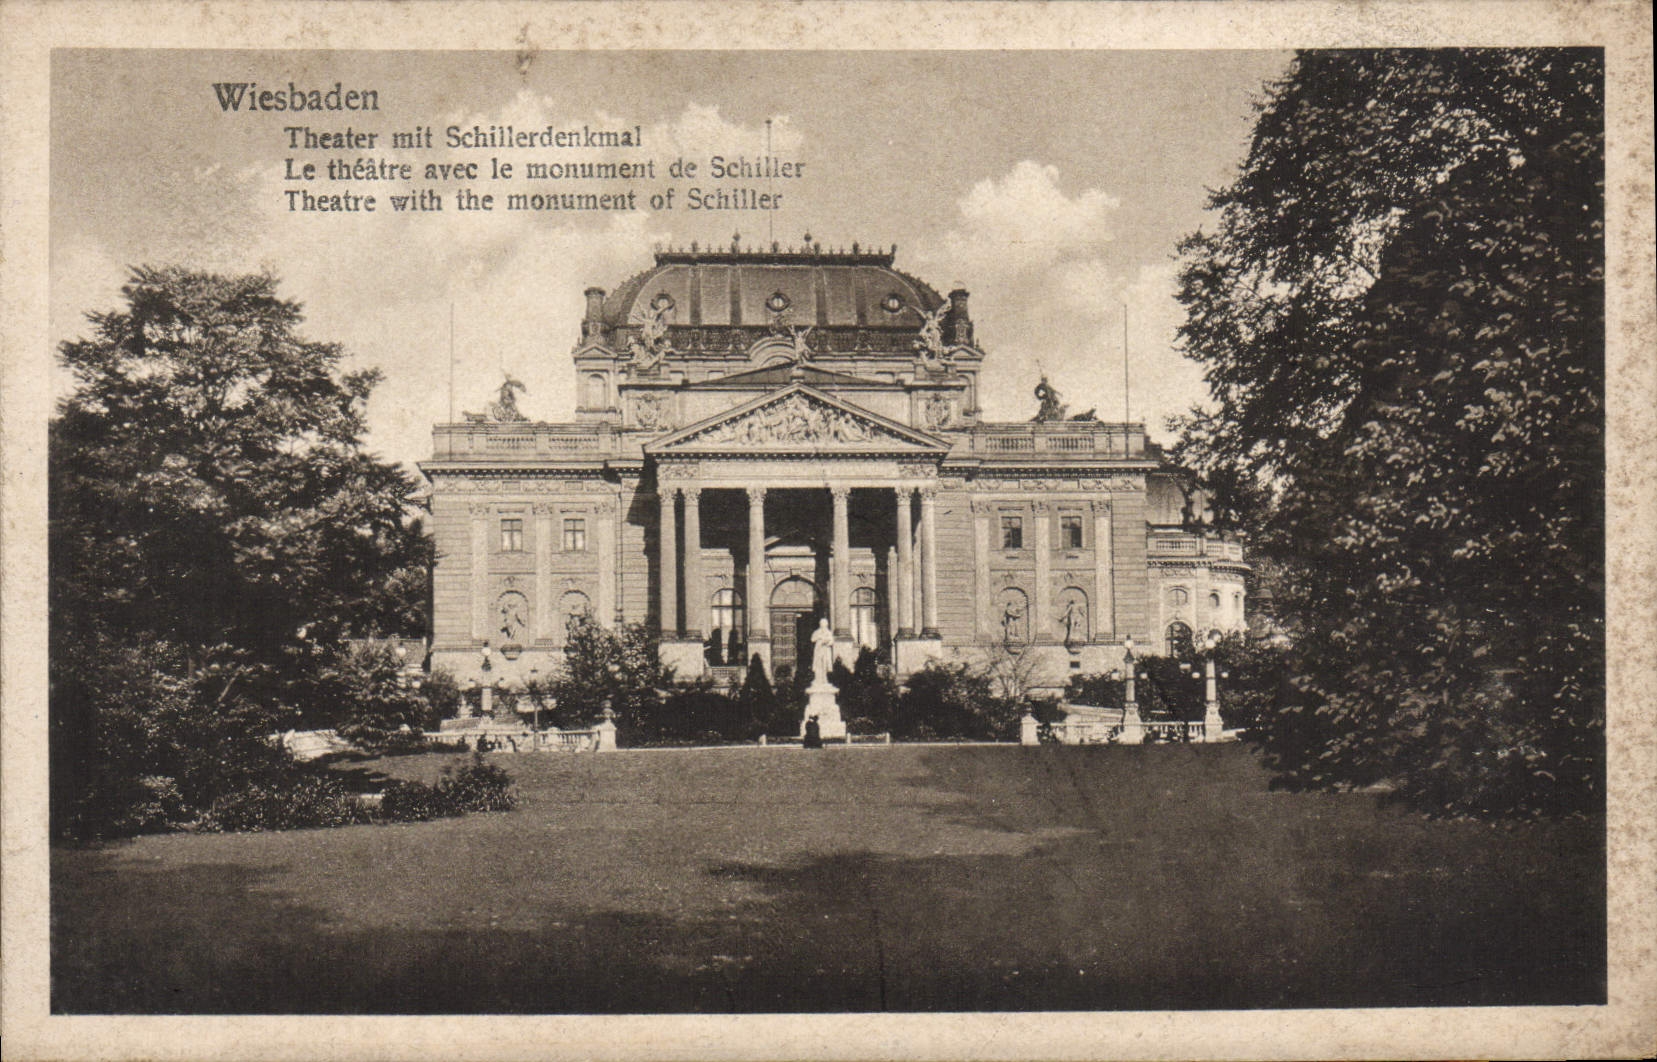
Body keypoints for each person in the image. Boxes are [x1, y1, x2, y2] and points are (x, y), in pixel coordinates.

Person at [809, 616, 836, 686]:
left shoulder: (829, 632)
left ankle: (824, 679)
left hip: (825, 650)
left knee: (825, 665)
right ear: (820, 624)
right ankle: (817, 679)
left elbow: (832, 641)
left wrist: (826, 642)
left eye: (824, 624)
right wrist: (819, 637)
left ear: (826, 624)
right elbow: (812, 639)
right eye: (822, 624)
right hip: (818, 650)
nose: (823, 625)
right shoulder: (817, 632)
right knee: (818, 664)